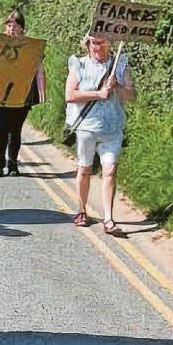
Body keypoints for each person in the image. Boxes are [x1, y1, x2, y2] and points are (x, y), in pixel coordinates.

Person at [65, 32, 136, 235]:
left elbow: (132, 95)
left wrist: (117, 86)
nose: (99, 48)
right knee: (84, 169)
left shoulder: (120, 65)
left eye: (103, 43)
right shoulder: (79, 65)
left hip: (112, 127)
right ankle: (82, 210)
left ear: (111, 44)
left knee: (110, 170)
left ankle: (108, 219)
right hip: (86, 127)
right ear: (88, 44)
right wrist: (98, 94)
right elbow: (70, 95)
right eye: (95, 43)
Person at [0, 10, 45, 177]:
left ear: (22, 28)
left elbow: (39, 70)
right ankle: (0, 160)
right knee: (0, 128)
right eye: (9, 25)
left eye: (16, 25)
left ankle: (12, 162)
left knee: (15, 130)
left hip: (21, 92)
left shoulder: (31, 47)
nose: (12, 28)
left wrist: (42, 92)